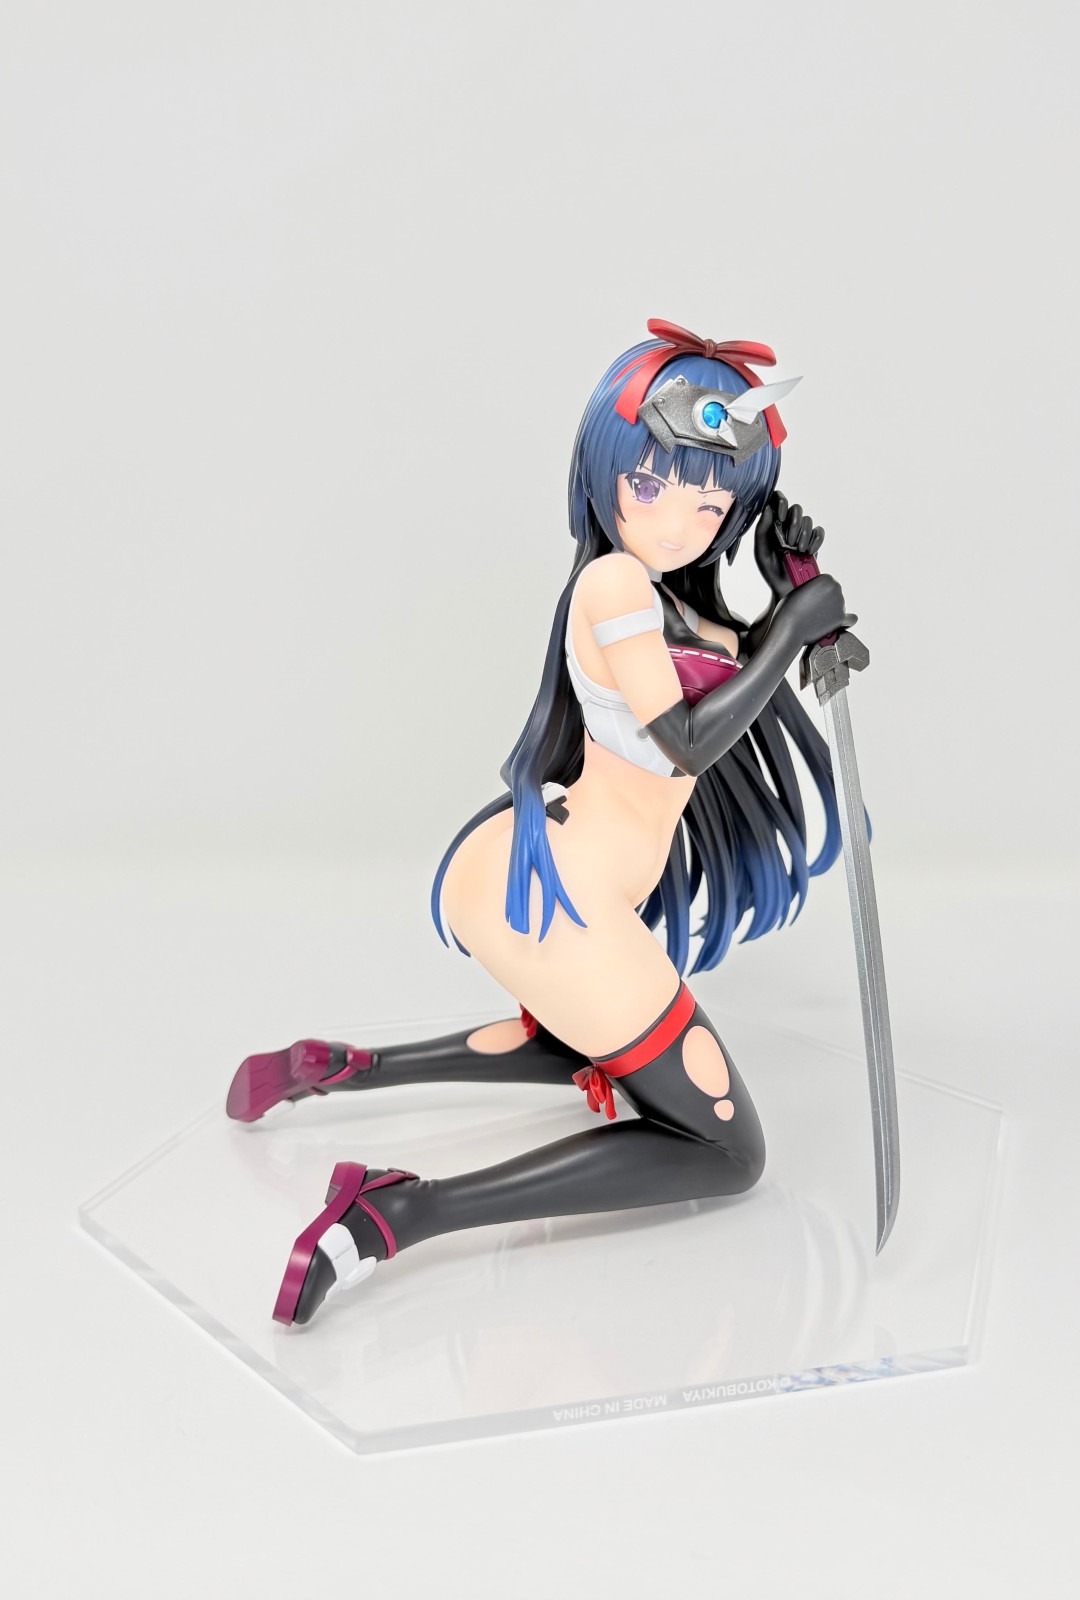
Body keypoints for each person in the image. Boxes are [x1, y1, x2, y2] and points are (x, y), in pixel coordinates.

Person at [227, 319, 858, 1327]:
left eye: (710, 503)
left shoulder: (672, 600)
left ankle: (339, 1068)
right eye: (652, 486)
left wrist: (787, 598)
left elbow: (732, 684)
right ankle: (398, 1212)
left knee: (585, 1048)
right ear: (606, 474)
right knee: (727, 1148)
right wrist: (789, 632)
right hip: (568, 903)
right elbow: (686, 741)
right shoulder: (613, 585)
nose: (680, 521)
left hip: (557, 878)